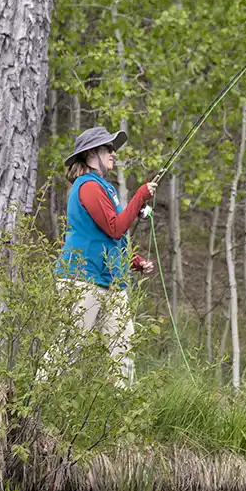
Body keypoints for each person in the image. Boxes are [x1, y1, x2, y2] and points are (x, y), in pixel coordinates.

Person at [54, 126, 156, 385]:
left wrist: (134, 262)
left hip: (109, 280)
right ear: (91, 154)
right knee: (68, 349)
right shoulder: (87, 186)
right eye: (107, 148)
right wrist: (140, 196)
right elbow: (115, 227)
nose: (113, 152)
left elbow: (111, 236)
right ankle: (37, 410)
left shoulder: (104, 188)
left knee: (123, 349)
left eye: (112, 148)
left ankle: (124, 413)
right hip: (82, 277)